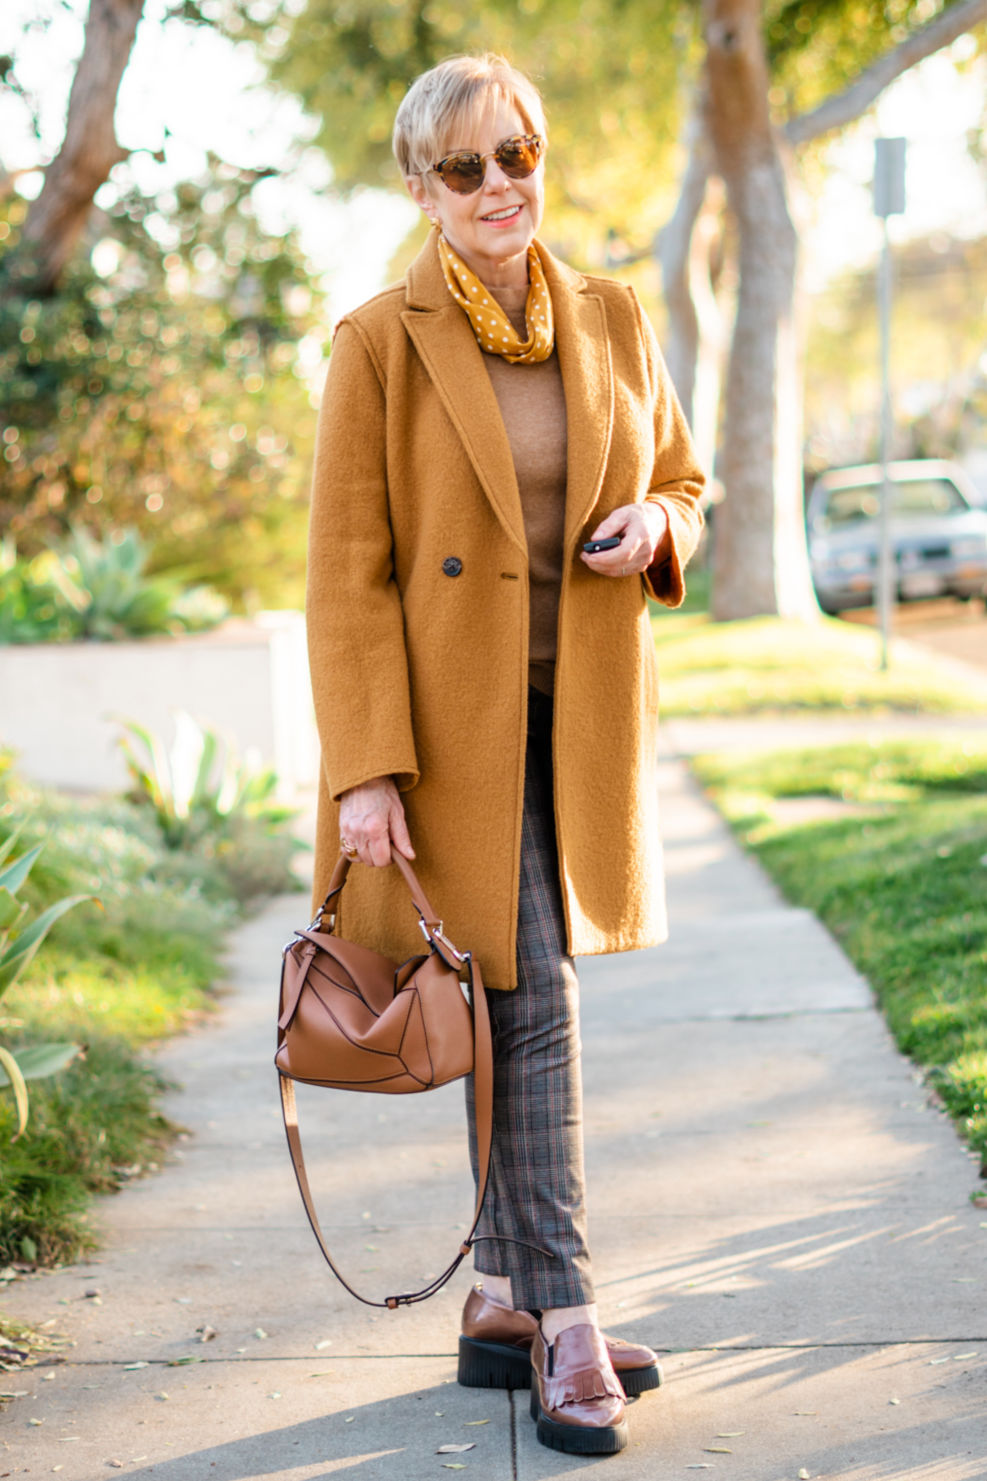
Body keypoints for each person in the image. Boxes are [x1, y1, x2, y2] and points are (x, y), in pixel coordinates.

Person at [306, 53, 704, 1457]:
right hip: (442, 742)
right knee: (534, 1004)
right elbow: (346, 576)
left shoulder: (609, 312)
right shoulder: (379, 340)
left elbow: (680, 474)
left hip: (573, 720)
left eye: (518, 156)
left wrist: (657, 530)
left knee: (504, 994)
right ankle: (570, 1311)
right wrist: (365, 769)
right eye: (466, 168)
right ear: (421, 187)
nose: (499, 188)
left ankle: (495, 1297)